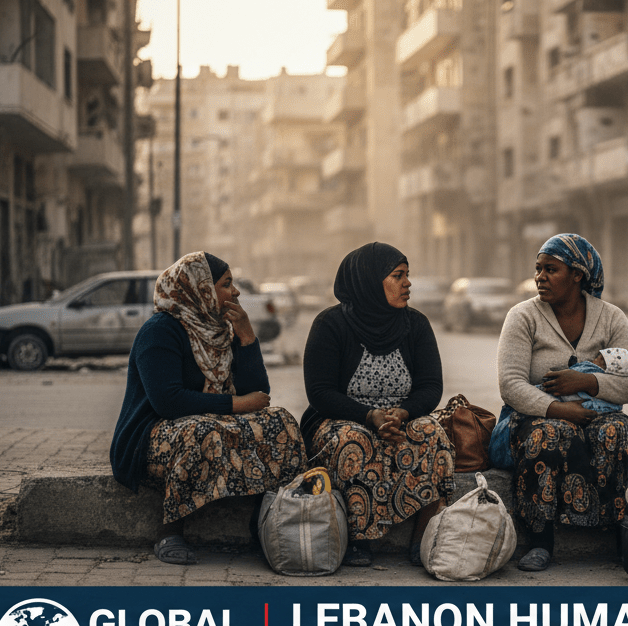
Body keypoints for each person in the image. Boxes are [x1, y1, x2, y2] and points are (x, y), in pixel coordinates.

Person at [110, 252, 305, 565]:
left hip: (213, 422)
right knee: (202, 431)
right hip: (152, 434)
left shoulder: (219, 329)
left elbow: (258, 393)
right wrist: (238, 404)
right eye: (227, 284)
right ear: (200, 289)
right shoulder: (160, 331)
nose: (236, 292)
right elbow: (168, 402)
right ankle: (170, 531)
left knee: (280, 421)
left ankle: (267, 519)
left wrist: (247, 335)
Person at [497, 233, 628, 572]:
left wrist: (588, 382)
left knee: (619, 430)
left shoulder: (611, 318)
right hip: (534, 416)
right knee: (549, 435)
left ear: (577, 275)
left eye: (551, 269)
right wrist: (559, 409)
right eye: (538, 269)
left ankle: (623, 534)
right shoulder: (523, 316)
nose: (540, 277)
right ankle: (540, 541)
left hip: (594, 413)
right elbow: (511, 385)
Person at [300, 243, 454, 568]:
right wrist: (369, 416)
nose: (407, 283)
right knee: (355, 441)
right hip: (343, 418)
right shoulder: (330, 325)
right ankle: (362, 537)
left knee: (432, 433)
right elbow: (320, 393)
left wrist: (402, 413)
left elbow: (431, 387)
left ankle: (423, 534)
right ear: (369, 281)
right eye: (398, 276)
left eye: (407, 275)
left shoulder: (416, 325)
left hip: (399, 418)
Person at [539, 347, 628, 413]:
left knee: (542, 391)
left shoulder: (590, 367)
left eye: (598, 357)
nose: (594, 359)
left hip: (562, 392)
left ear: (603, 361)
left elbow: (574, 373)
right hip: (578, 401)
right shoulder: (610, 385)